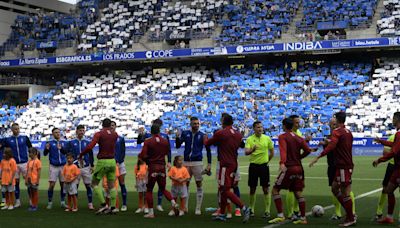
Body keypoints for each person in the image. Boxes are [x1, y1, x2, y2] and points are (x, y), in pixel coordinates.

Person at [310, 111, 356, 227]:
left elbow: (332, 146)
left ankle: (350, 217)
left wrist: (318, 156)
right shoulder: (348, 132)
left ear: (337, 120)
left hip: (343, 165)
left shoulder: (337, 132)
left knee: (345, 192)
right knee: (335, 189)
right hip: (345, 164)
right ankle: (350, 214)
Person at [205, 114, 251, 223]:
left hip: (225, 164)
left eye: (221, 120)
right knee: (224, 189)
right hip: (234, 164)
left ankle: (243, 207)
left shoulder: (220, 133)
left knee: (225, 189)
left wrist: (205, 137)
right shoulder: (238, 134)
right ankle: (222, 213)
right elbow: (241, 145)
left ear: (224, 121)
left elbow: (207, 143)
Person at [268, 118, 314, 225]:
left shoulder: (282, 137)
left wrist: (282, 162)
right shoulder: (299, 138)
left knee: (275, 190)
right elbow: (308, 150)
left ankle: (280, 215)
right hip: (299, 168)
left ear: (284, 126)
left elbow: (283, 150)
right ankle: (303, 218)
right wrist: (299, 157)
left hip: (289, 168)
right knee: (298, 192)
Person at [79, 118, 119, 215]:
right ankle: (113, 207)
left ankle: (103, 205)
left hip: (103, 161)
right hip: (112, 161)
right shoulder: (115, 134)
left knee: (94, 184)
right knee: (111, 185)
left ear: (102, 125)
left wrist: (81, 154)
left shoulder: (99, 134)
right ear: (110, 125)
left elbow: (90, 146)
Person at [138, 124, 178, 218]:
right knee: (163, 189)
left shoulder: (148, 141)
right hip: (162, 167)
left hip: (153, 167)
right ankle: (173, 202)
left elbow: (143, 154)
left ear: (151, 132)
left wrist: (147, 160)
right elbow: (167, 152)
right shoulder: (165, 141)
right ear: (159, 131)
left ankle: (151, 212)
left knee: (149, 190)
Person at [320, 118, 355, 220]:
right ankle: (338, 213)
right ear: (329, 125)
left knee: (346, 189)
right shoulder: (328, 137)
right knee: (334, 189)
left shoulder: (342, 135)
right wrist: (325, 144)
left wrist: (329, 143)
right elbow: (328, 151)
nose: (334, 126)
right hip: (332, 166)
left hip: (341, 166)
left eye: (335, 124)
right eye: (332, 124)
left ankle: (351, 212)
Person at [175, 116, 211, 215]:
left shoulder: (202, 135)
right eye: (194, 123)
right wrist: (177, 137)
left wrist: (209, 164)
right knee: (185, 184)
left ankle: (198, 208)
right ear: (190, 124)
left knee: (198, 184)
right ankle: (184, 207)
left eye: (197, 124)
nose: (196, 125)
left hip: (197, 162)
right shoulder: (185, 133)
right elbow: (178, 145)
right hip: (186, 162)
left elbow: (208, 150)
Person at [372, 112, 400, 224]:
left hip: (399, 168)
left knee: (389, 190)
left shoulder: (399, 134)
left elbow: (394, 151)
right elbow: (394, 145)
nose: (392, 120)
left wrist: (380, 160)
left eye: (393, 118)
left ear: (397, 119)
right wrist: (381, 141)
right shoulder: (398, 134)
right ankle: (389, 217)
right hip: (397, 169)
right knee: (389, 190)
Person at [244, 121, 274, 218]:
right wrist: (252, 150)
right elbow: (246, 152)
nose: (260, 129)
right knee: (252, 188)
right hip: (253, 166)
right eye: (258, 127)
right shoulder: (249, 139)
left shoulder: (267, 138)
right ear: (254, 129)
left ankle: (267, 210)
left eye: (261, 127)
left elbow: (272, 152)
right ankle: (251, 209)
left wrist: (266, 161)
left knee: (266, 188)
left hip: (264, 166)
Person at [1, 123, 33, 208]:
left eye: (18, 128)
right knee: (16, 183)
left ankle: (31, 200)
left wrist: (32, 158)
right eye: (15, 129)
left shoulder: (24, 138)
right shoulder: (8, 140)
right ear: (11, 130)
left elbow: (30, 148)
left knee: (28, 182)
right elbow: (4, 149)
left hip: (24, 163)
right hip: (14, 164)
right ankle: (18, 201)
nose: (17, 130)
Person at [68, 125, 94, 210]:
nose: (81, 132)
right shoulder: (72, 142)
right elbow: (68, 153)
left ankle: (90, 203)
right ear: (76, 131)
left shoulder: (87, 142)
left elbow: (91, 154)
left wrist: (92, 165)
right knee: (75, 186)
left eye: (83, 130)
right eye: (80, 130)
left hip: (86, 167)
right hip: (75, 167)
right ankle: (75, 204)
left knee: (88, 185)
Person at [44, 128, 68, 209]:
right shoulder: (49, 143)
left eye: (58, 132)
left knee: (63, 185)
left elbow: (66, 152)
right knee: (52, 185)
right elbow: (44, 154)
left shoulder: (64, 142)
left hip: (63, 166)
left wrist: (61, 149)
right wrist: (46, 149)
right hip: (53, 166)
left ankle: (62, 202)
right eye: (56, 132)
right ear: (52, 134)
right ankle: (50, 202)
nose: (58, 134)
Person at [374, 132, 395, 221]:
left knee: (387, 189)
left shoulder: (394, 136)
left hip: (394, 166)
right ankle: (380, 212)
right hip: (392, 166)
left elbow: (386, 152)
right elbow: (385, 152)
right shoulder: (393, 137)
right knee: (386, 189)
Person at [111, 121, 127, 211]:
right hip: (110, 164)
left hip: (119, 164)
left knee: (122, 183)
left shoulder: (120, 138)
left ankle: (124, 204)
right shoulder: (107, 139)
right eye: (110, 126)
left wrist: (119, 161)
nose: (111, 127)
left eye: (113, 125)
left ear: (115, 127)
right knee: (112, 185)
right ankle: (113, 204)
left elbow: (123, 151)